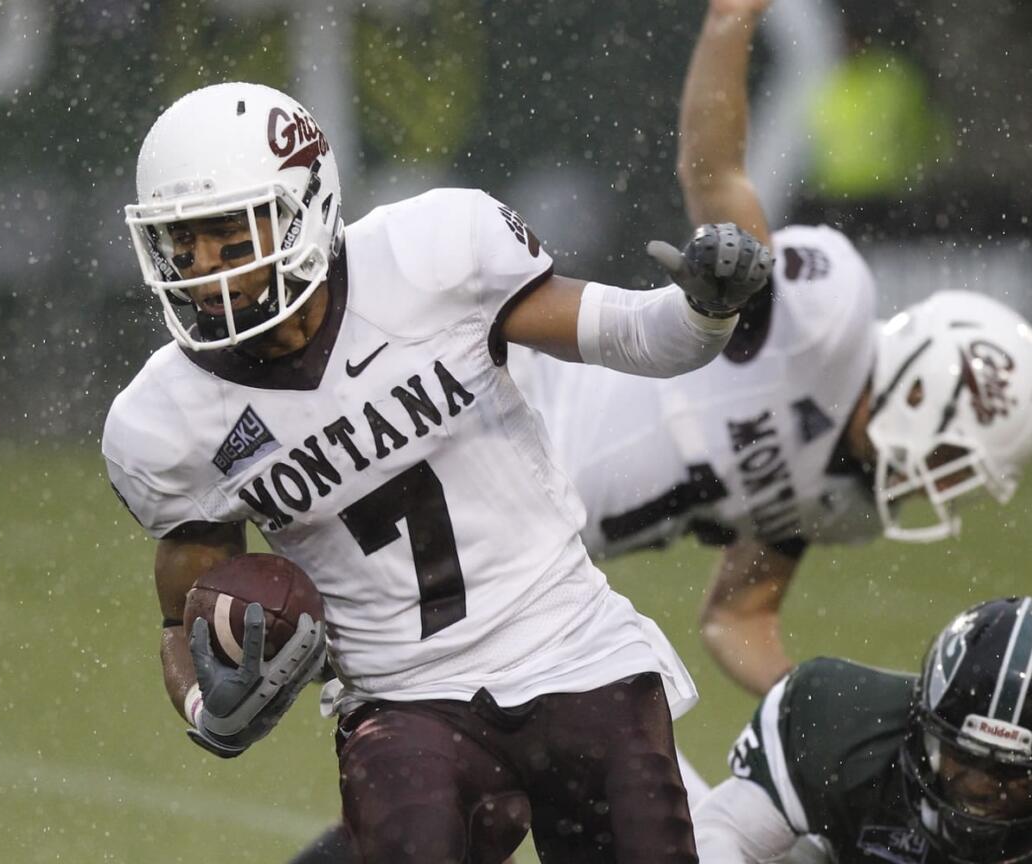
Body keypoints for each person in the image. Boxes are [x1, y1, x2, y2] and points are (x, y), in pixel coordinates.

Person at [102, 81, 775, 863]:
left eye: (229, 237)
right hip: (403, 700)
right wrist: (203, 704)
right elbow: (180, 616)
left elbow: (631, 336)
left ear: (305, 206)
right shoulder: (165, 420)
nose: (203, 269)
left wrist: (701, 312)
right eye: (179, 244)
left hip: (570, 643)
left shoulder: (431, 256)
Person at [508, 0, 1032, 698]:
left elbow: (737, 618)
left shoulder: (847, 498)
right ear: (922, 388)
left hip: (534, 554)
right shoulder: (821, 324)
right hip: (506, 417)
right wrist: (730, 20)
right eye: (953, 460)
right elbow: (715, 180)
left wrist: (833, 717)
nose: (941, 486)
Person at [692, 596, 1032, 862]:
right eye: (966, 757)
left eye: (1016, 774)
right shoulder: (843, 726)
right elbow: (719, 831)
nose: (980, 787)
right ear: (922, 720)